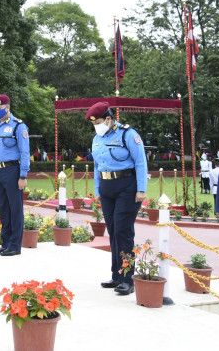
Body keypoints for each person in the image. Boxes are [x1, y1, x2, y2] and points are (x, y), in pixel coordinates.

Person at [85, 101, 147, 296]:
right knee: (112, 231)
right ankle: (116, 276)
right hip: (107, 188)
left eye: (98, 122)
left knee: (123, 231)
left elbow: (140, 161)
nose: (96, 126)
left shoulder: (128, 134)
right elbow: (97, 165)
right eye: (93, 124)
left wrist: (141, 189)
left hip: (126, 186)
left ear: (109, 119)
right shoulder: (97, 138)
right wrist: (97, 189)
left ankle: (127, 279)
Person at [0, 94, 29, 257]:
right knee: (3, 209)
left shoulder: (18, 126)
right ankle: (5, 243)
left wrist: (23, 176)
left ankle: (15, 245)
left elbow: (24, 152)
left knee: (15, 209)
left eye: (0, 107)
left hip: (12, 171)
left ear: (8, 107)